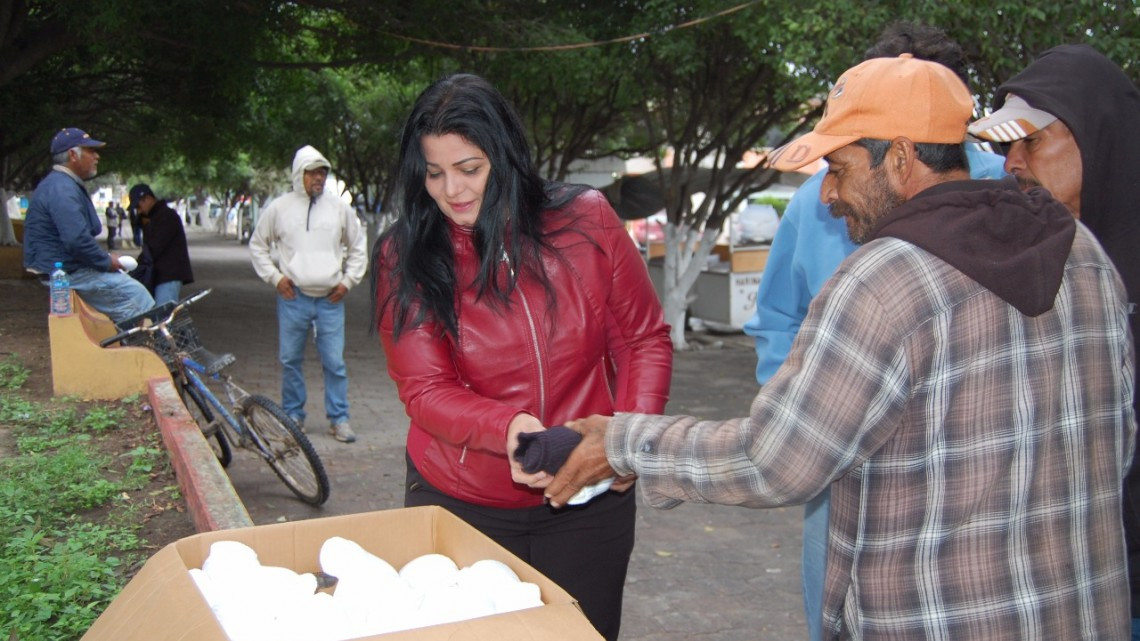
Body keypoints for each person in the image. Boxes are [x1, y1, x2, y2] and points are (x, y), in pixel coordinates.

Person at [540, 55, 1135, 640]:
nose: (827, 195)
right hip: (1082, 609)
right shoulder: (1082, 253)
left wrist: (622, 442)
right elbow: (1120, 441)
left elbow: (775, 459)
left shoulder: (883, 280)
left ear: (900, 158)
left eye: (839, 168)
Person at [372, 73, 672, 641]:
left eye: (469, 169)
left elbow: (642, 340)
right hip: (461, 504)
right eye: (434, 173)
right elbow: (425, 389)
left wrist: (629, 438)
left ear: (505, 158)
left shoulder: (587, 219)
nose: (451, 191)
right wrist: (506, 428)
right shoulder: (402, 254)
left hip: (589, 498)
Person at [739, 22, 1007, 641]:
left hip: (964, 476)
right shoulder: (819, 198)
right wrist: (807, 410)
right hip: (836, 476)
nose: (834, 190)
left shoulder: (1009, 193)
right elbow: (777, 317)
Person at [966, 43, 1140, 641]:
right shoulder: (1039, 258)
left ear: (1098, 137)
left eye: (1032, 142)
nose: (1012, 163)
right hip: (1057, 585)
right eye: (1004, 145)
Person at [249, 145, 367, 443]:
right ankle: (294, 416)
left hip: (330, 298)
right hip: (294, 298)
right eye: (313, 172)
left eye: (323, 172)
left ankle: (339, 419)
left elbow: (358, 246)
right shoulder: (280, 208)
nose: (319, 178)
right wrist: (276, 278)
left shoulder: (339, 207)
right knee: (290, 359)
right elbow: (258, 245)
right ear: (299, 174)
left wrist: (348, 282)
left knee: (335, 362)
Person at [22, 128, 155, 324]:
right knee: (138, 298)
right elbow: (76, 240)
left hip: (67, 268)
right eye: (90, 151)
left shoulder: (60, 184)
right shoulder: (62, 188)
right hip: (69, 272)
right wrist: (106, 261)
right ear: (73, 155)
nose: (97, 156)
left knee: (130, 294)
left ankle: (138, 346)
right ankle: (154, 352)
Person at [128, 184, 194, 305]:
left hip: (169, 275)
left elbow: (155, 247)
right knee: (158, 316)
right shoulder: (152, 217)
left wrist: (137, 265)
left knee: (162, 317)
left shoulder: (167, 216)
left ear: (147, 199)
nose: (139, 210)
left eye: (139, 206)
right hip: (158, 275)